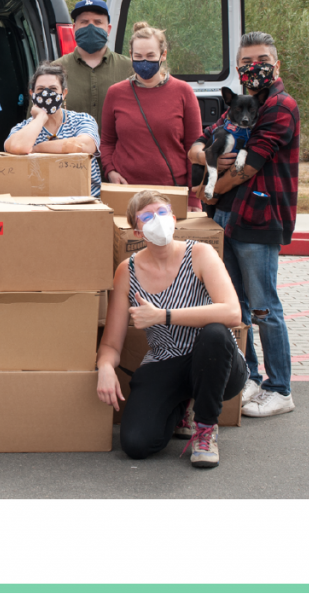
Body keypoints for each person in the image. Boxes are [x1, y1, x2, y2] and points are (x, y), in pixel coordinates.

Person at [189, 31, 300, 418]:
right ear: (238, 69)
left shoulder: (280, 106)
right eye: (247, 63)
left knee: (265, 308)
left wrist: (211, 189)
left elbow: (249, 166)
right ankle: (251, 375)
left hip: (259, 218)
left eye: (263, 61)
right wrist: (207, 157)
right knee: (236, 305)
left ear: (276, 64)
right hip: (228, 219)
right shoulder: (236, 106)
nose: (255, 69)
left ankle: (280, 388)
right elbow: (198, 144)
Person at [97, 190, 246, 469]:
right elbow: (111, 344)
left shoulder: (200, 254)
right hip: (167, 359)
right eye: (147, 217)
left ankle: (204, 428)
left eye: (162, 213)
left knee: (215, 333)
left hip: (217, 364)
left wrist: (163, 316)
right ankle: (179, 406)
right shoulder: (126, 271)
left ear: (174, 220)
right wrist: (105, 367)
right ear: (137, 231)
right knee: (136, 444)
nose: (158, 220)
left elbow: (232, 312)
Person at [101, 22, 203, 210]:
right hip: (127, 193)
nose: (144, 62)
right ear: (130, 55)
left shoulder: (183, 92)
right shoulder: (115, 93)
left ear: (163, 55)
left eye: (150, 56)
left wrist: (193, 198)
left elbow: (194, 150)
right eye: (138, 56)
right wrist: (110, 170)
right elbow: (107, 142)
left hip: (172, 192)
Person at [4, 61, 102, 197]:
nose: (46, 94)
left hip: (84, 202)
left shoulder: (83, 120)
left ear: (64, 93)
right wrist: (40, 118)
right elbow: (17, 146)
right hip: (39, 203)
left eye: (53, 89)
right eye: (40, 89)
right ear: (32, 93)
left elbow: (83, 146)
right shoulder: (23, 128)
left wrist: (37, 148)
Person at [53, 0, 133, 131]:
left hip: (117, 151)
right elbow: (37, 120)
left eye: (97, 22)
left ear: (108, 29)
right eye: (84, 22)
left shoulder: (130, 69)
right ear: (74, 29)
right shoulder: (54, 70)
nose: (91, 27)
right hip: (69, 150)